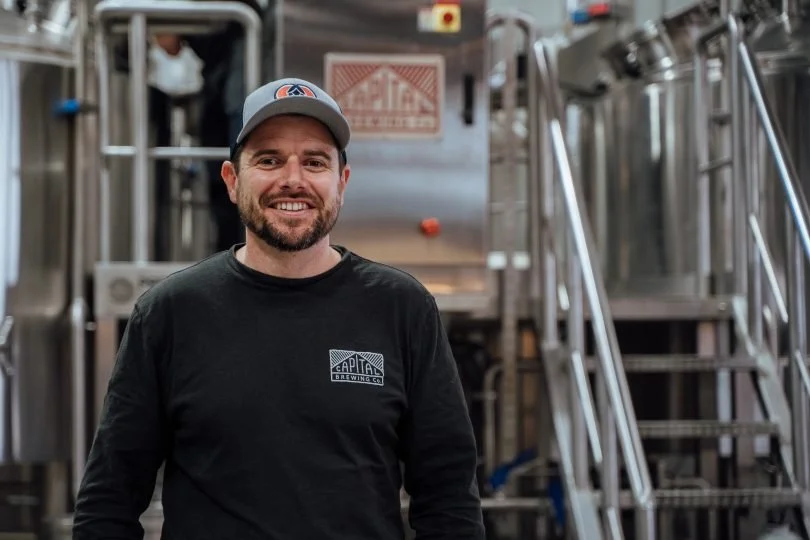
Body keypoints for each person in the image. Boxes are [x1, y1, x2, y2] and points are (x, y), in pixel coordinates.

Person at [72, 77, 486, 539]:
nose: (294, 179)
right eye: (269, 160)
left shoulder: (402, 307)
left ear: (341, 183)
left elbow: (449, 496)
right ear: (232, 180)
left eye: (314, 162)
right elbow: (108, 501)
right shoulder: (171, 312)